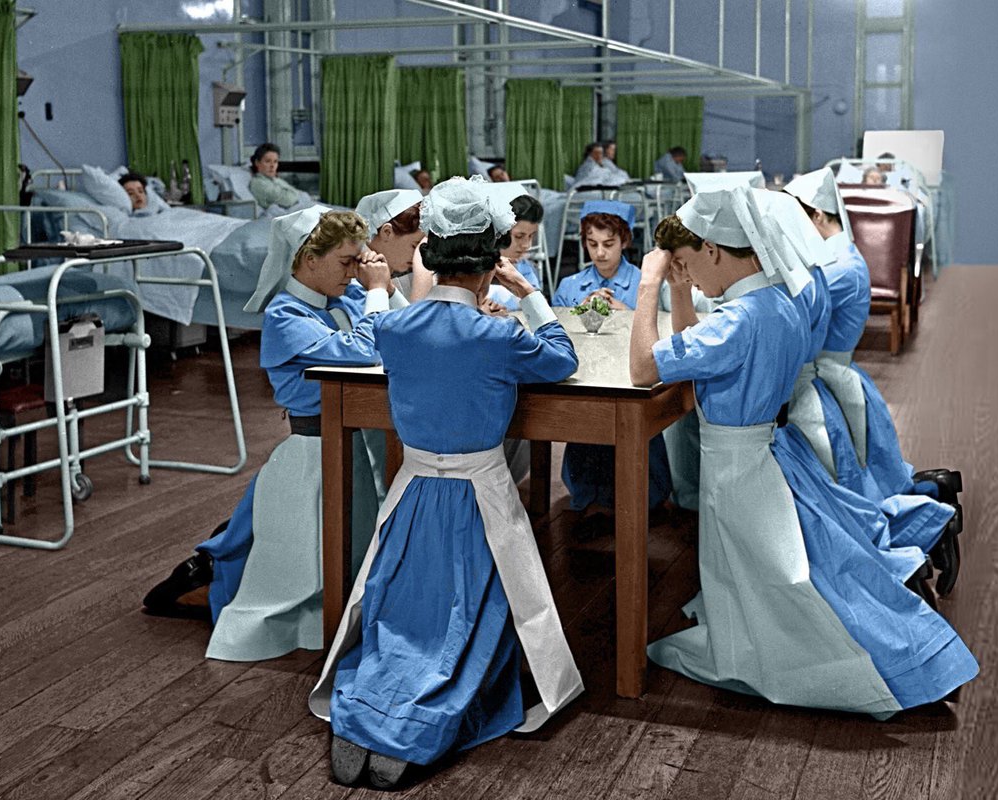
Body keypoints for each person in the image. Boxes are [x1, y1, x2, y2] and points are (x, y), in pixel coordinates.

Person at [632, 190, 978, 716]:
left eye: (688, 264)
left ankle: (864, 667)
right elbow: (697, 349)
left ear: (714, 250)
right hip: (766, 449)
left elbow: (642, 369)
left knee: (783, 587)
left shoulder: (737, 319)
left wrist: (649, 285)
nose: (691, 278)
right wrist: (681, 289)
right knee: (796, 577)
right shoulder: (777, 299)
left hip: (738, 468)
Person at [309, 176, 583, 789]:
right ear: (489, 268)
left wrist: (381, 294)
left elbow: (380, 326)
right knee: (466, 616)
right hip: (478, 498)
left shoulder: (395, 329)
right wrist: (530, 294)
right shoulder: (500, 335)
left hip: (411, 495)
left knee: (399, 611)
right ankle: (419, 723)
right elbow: (562, 358)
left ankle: (372, 711)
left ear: (430, 258)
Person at [142, 207, 404, 661]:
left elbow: (400, 331)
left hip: (350, 444)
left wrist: (385, 291)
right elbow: (363, 350)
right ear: (309, 259)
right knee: (295, 564)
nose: (353, 271)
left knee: (340, 553)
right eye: (345, 262)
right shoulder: (286, 314)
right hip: (312, 451)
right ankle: (203, 585)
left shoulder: (343, 300)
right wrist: (377, 293)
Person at [784, 168, 964, 594]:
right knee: (867, 486)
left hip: (827, 385)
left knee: (852, 495)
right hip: (837, 380)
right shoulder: (840, 257)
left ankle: (929, 525)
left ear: (816, 215)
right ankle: (935, 499)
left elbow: (793, 312)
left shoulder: (836, 269)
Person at [551, 201, 672, 535]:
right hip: (586, 378)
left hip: (634, 380)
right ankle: (587, 497)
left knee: (639, 439)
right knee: (586, 431)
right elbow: (555, 333)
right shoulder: (570, 286)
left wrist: (626, 312)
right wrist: (579, 312)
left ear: (625, 241)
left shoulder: (646, 283)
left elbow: (665, 328)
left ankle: (646, 498)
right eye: (592, 244)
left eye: (609, 244)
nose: (600, 253)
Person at [485, 190, 543, 313]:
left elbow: (540, 309)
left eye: (531, 236)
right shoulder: (478, 268)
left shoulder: (524, 267)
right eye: (519, 236)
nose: (527, 245)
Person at [248, 143, 302, 209]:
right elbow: (289, 199)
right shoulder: (259, 183)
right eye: (268, 161)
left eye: (275, 161)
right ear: (257, 163)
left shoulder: (274, 179)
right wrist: (296, 194)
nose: (272, 166)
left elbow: (298, 194)